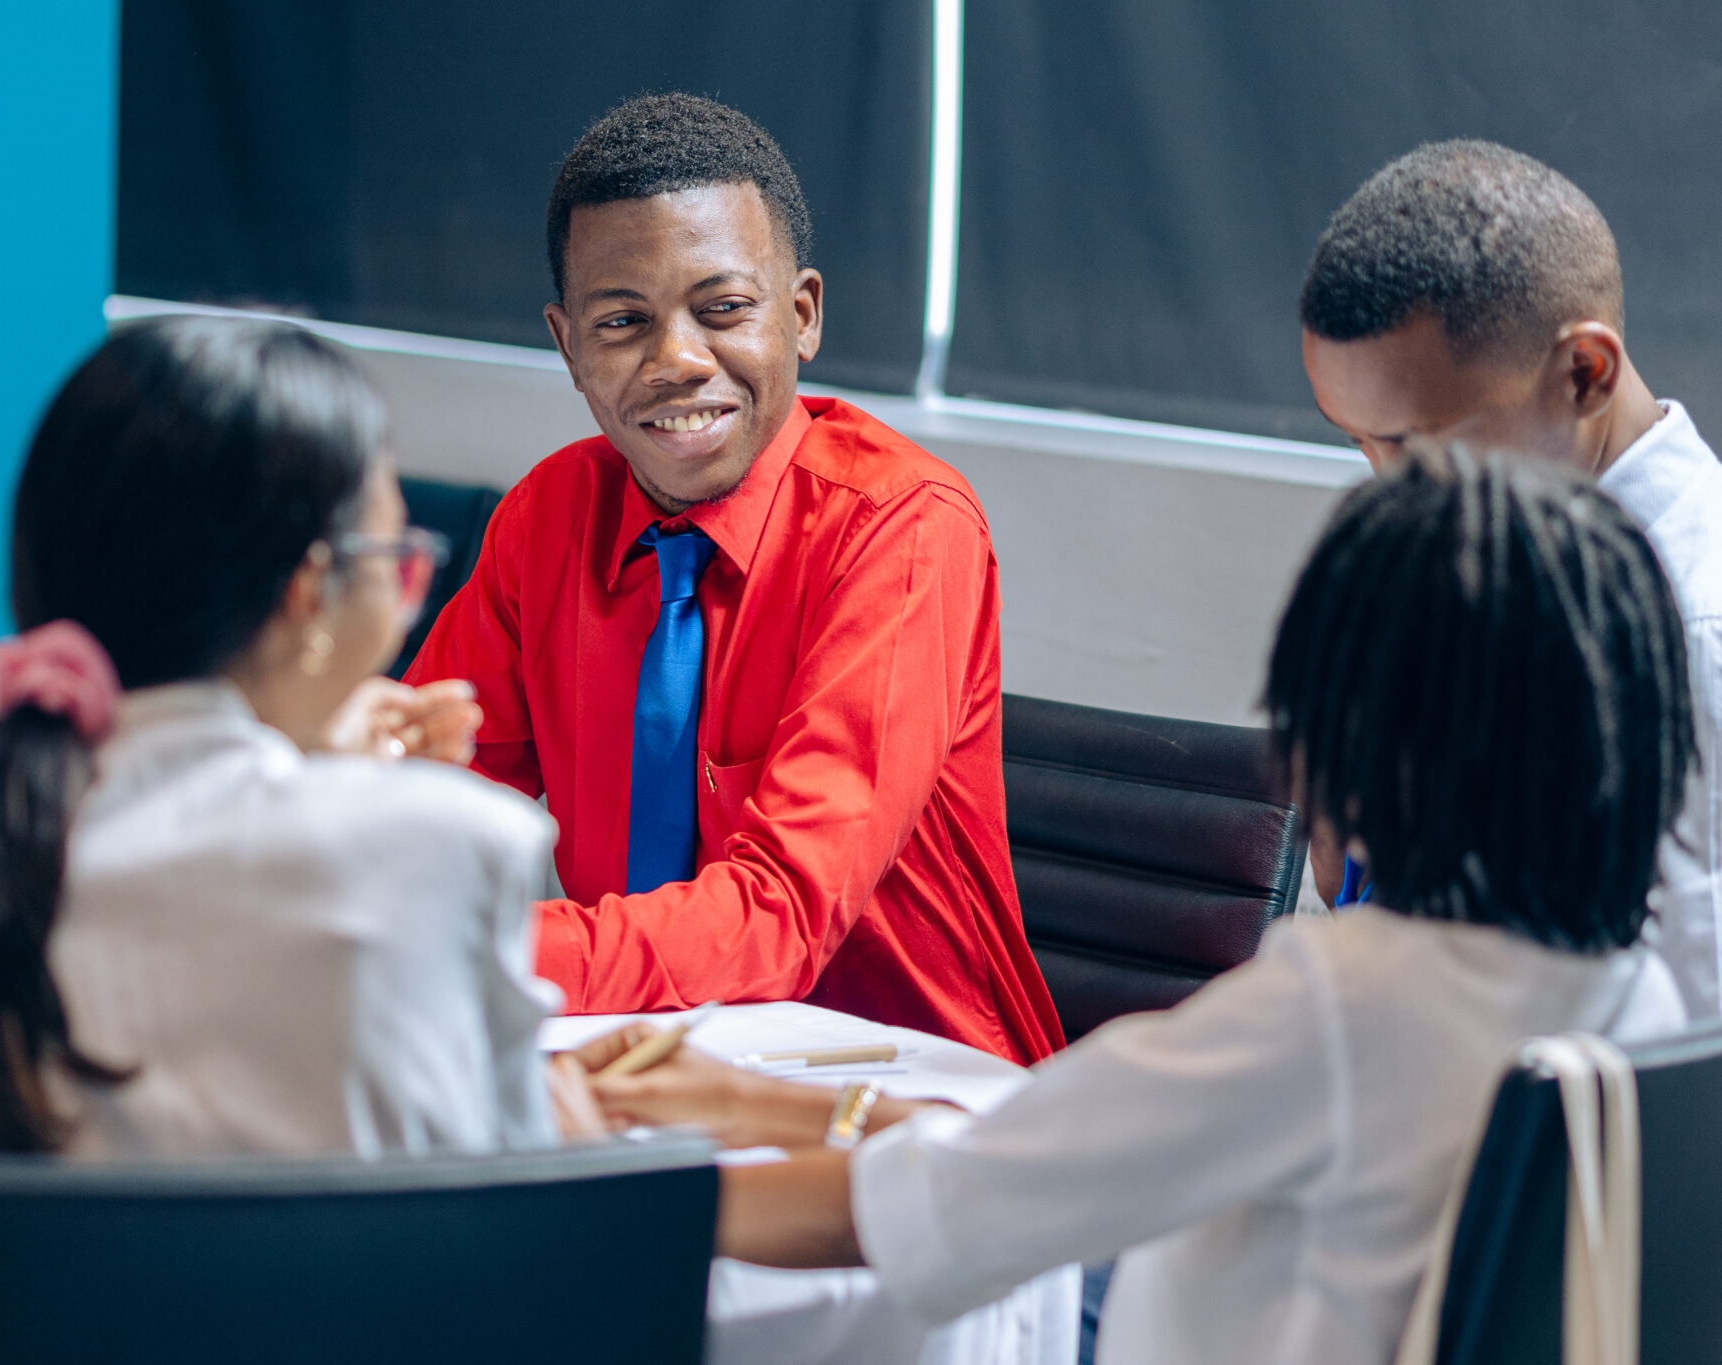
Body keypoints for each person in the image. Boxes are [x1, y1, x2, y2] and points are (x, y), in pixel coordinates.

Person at [574, 447, 1692, 1365]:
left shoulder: (1339, 1009)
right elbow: (1060, 1147)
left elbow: (916, 1214)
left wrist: (576, 1192)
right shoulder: (1635, 993)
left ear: (1362, 750)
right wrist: (752, 1105)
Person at [0, 316, 559, 1183]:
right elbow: (507, 1203)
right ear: (309, 588)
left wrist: (310, 760)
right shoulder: (456, 846)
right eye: (401, 565)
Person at [404, 93, 1062, 1064]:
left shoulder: (902, 527)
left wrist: (481, 952)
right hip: (636, 1054)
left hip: (900, 1082)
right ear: (568, 346)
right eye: (622, 320)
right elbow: (415, 806)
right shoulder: (547, 516)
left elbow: (778, 916)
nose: (677, 360)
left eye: (722, 310)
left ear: (801, 316)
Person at [1297, 139, 1722, 1019]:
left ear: (1584, 374)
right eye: (1358, 441)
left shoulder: (1692, 630)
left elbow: (1692, 1037)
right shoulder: (1478, 566)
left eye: (1419, 443)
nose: (1389, 485)